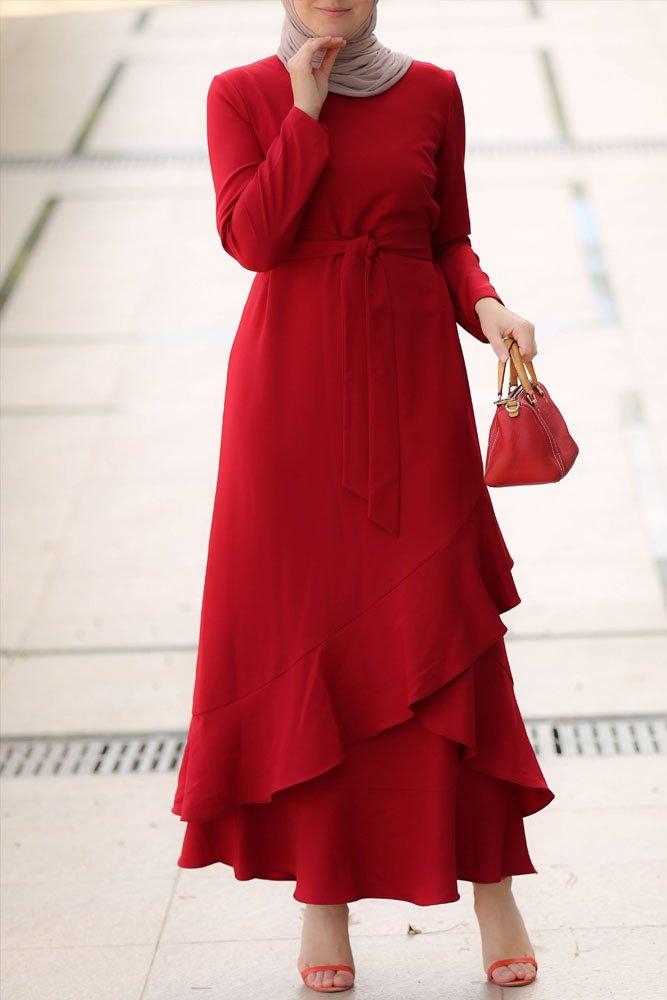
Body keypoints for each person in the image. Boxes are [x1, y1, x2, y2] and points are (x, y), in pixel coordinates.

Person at [172, 1, 555, 992]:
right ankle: (322, 902)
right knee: (313, 638)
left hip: (413, 391)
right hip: (289, 405)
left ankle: (497, 888)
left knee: (445, 629)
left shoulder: (432, 91)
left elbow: (448, 238)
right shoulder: (239, 93)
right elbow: (251, 238)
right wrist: (302, 114)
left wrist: (485, 302)